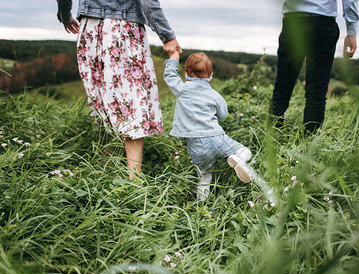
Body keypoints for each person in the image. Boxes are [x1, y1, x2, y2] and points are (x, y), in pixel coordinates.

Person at [56, 0, 181, 179]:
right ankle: (134, 179)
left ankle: (105, 169)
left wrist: (65, 15)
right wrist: (167, 35)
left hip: (89, 27)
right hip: (123, 28)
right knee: (131, 99)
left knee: (101, 98)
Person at [163, 51, 252, 200]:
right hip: (217, 137)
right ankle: (239, 159)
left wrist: (173, 59)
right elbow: (223, 115)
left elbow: (169, 76)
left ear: (186, 73)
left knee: (204, 176)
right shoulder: (215, 95)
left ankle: (202, 208)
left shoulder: (182, 89)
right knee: (244, 150)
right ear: (210, 74)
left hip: (197, 144)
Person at [269, 0, 359, 135]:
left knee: (283, 85)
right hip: (322, 23)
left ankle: (271, 139)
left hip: (293, 19)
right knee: (317, 90)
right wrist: (351, 30)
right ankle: (309, 144)